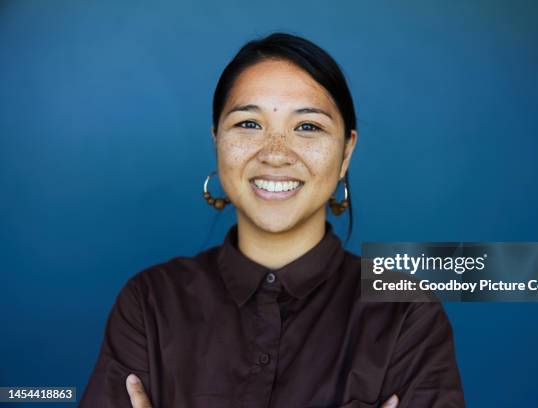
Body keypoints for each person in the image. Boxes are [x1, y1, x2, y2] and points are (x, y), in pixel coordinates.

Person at [79, 32, 465, 408]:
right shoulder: (150, 303)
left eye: (308, 127)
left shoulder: (405, 311)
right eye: (249, 124)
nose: (275, 154)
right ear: (217, 140)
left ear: (346, 152)